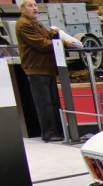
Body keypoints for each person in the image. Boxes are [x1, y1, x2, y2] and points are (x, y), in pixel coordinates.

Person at [15, 0, 77, 142]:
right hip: (37, 69)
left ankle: (57, 130)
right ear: (23, 9)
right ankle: (49, 133)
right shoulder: (24, 24)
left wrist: (55, 35)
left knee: (53, 102)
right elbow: (41, 44)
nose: (35, 8)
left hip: (46, 68)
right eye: (30, 6)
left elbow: (46, 37)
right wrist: (62, 42)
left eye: (35, 5)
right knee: (45, 103)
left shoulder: (36, 22)